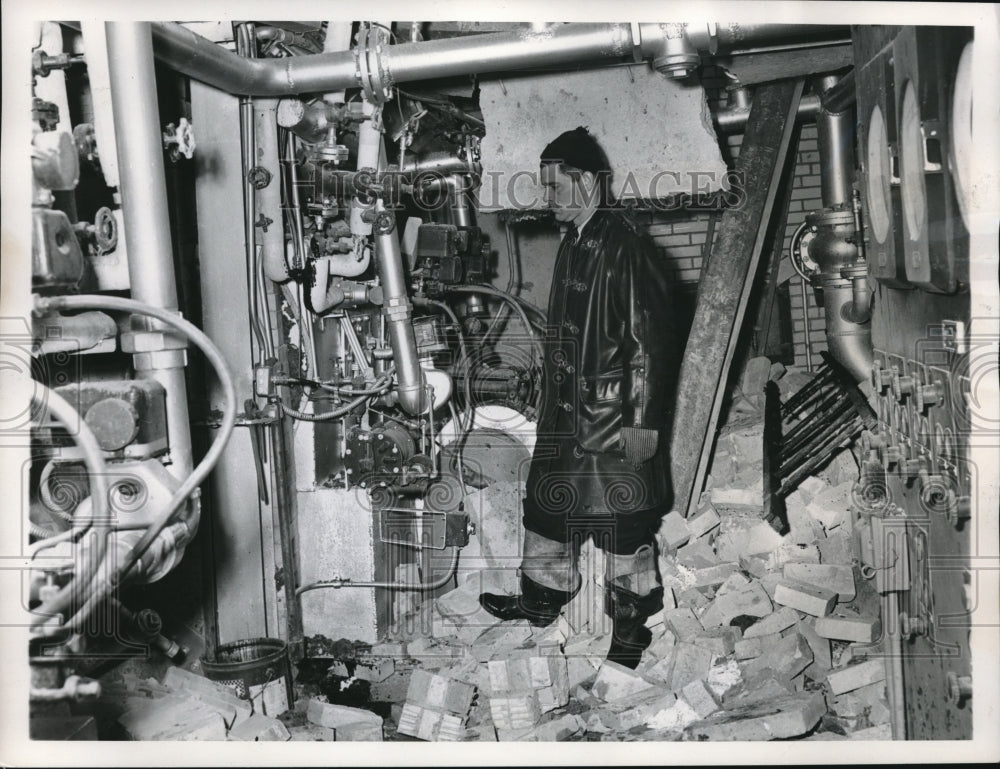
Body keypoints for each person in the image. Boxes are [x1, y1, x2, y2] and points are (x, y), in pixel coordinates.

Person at [479, 127, 681, 668]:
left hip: (612, 420)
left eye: (553, 187)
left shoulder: (627, 247)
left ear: (587, 182)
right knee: (546, 510)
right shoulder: (575, 240)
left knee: (623, 528)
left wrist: (642, 425)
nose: (547, 199)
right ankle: (540, 602)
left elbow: (649, 349)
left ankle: (631, 632)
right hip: (566, 416)